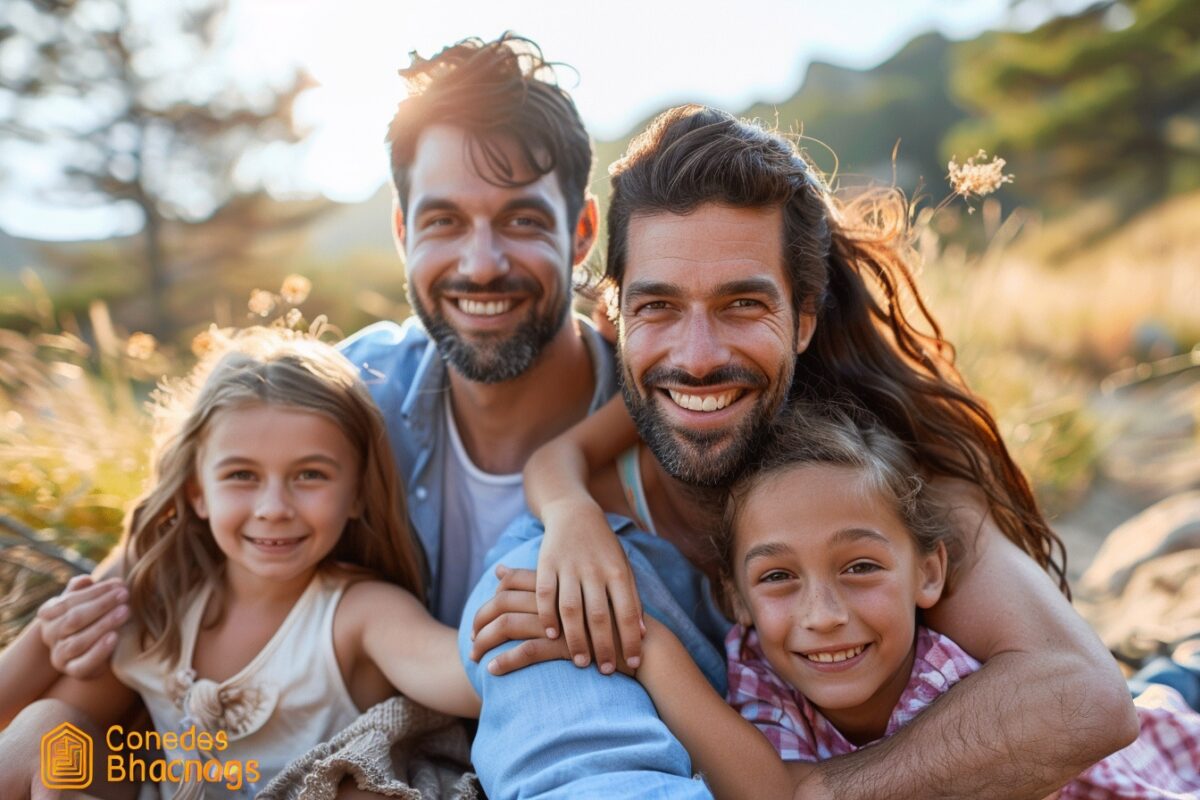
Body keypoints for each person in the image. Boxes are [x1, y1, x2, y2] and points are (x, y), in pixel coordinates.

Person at [464, 104, 1138, 799]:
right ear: (616, 319)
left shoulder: (875, 473)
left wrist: (821, 792)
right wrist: (571, 516)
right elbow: (557, 462)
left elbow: (1085, 695)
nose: (697, 359)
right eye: (658, 307)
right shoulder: (565, 548)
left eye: (742, 305)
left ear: (804, 318)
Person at [0, 32, 619, 710]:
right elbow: (141, 581)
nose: (480, 264)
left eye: (521, 219)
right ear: (402, 231)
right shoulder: (345, 393)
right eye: (443, 221)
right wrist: (46, 708)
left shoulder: (658, 416)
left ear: (582, 229)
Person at [0, 328, 554, 798]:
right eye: (242, 476)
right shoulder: (162, 601)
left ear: (357, 494)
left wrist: (520, 625)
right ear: (197, 493)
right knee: (49, 731)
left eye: (310, 475)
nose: (273, 509)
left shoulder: (357, 613)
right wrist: (43, 640)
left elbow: (460, 676)